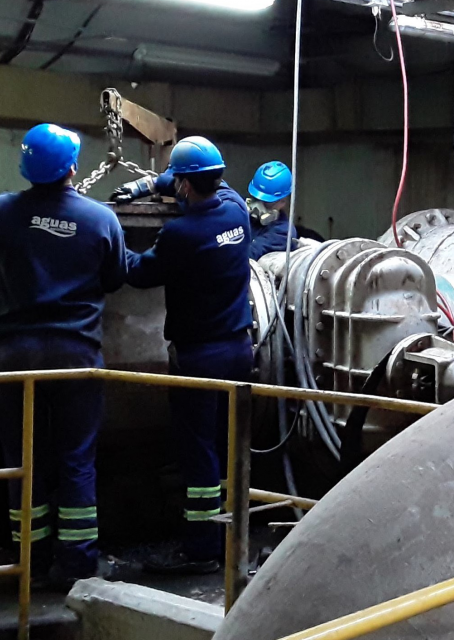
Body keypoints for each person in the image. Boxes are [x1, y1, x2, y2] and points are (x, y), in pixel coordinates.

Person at [0, 124, 132, 589]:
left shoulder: (0, 211)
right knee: (76, 459)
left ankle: (30, 559)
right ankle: (77, 564)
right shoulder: (100, 218)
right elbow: (116, 276)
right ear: (73, 167)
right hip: (75, 354)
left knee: (23, 458)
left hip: (15, 354)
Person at [122, 136, 254, 574]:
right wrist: (151, 184)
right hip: (239, 351)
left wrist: (107, 237)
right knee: (228, 446)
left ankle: (201, 548)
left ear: (182, 185)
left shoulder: (180, 234)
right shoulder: (236, 210)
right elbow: (208, 182)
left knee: (199, 452)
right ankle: (233, 536)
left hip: (199, 359)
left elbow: (139, 273)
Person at [246, 161, 298, 259]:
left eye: (265, 201)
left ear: (282, 202)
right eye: (255, 198)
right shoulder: (246, 217)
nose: (257, 205)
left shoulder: (284, 233)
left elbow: (249, 254)